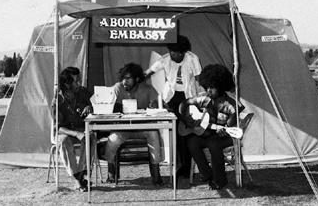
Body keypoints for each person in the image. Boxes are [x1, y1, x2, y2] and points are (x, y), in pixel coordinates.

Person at [179, 64, 244, 190]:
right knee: (192, 142)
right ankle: (208, 175)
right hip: (207, 133)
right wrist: (184, 117)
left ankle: (220, 180)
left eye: (212, 87)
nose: (208, 90)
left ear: (221, 87)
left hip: (225, 136)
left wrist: (225, 130)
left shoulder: (232, 104)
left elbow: (231, 126)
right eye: (207, 87)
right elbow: (184, 103)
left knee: (214, 144)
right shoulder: (203, 97)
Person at [144, 35, 202, 178]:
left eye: (175, 53)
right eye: (170, 52)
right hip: (171, 98)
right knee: (175, 134)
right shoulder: (165, 59)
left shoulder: (193, 59)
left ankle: (187, 167)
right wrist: (135, 78)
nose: (172, 55)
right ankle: (180, 166)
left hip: (188, 98)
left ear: (183, 52)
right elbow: (149, 71)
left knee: (187, 133)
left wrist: (202, 99)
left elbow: (200, 80)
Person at [104, 62, 164, 186]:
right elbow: (107, 108)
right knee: (112, 140)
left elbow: (161, 105)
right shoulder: (117, 88)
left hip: (142, 128)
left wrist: (155, 106)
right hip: (122, 128)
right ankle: (111, 171)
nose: (124, 82)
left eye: (128, 78)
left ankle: (156, 174)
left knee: (153, 133)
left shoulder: (148, 89)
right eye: (123, 78)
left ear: (137, 79)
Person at [51, 66, 96, 192]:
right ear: (66, 84)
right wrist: (75, 134)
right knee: (64, 141)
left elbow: (97, 102)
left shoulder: (83, 92)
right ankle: (79, 179)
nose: (79, 83)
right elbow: (57, 127)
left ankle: (79, 178)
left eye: (79, 79)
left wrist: (90, 106)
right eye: (76, 81)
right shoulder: (57, 101)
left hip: (82, 129)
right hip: (65, 131)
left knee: (91, 138)